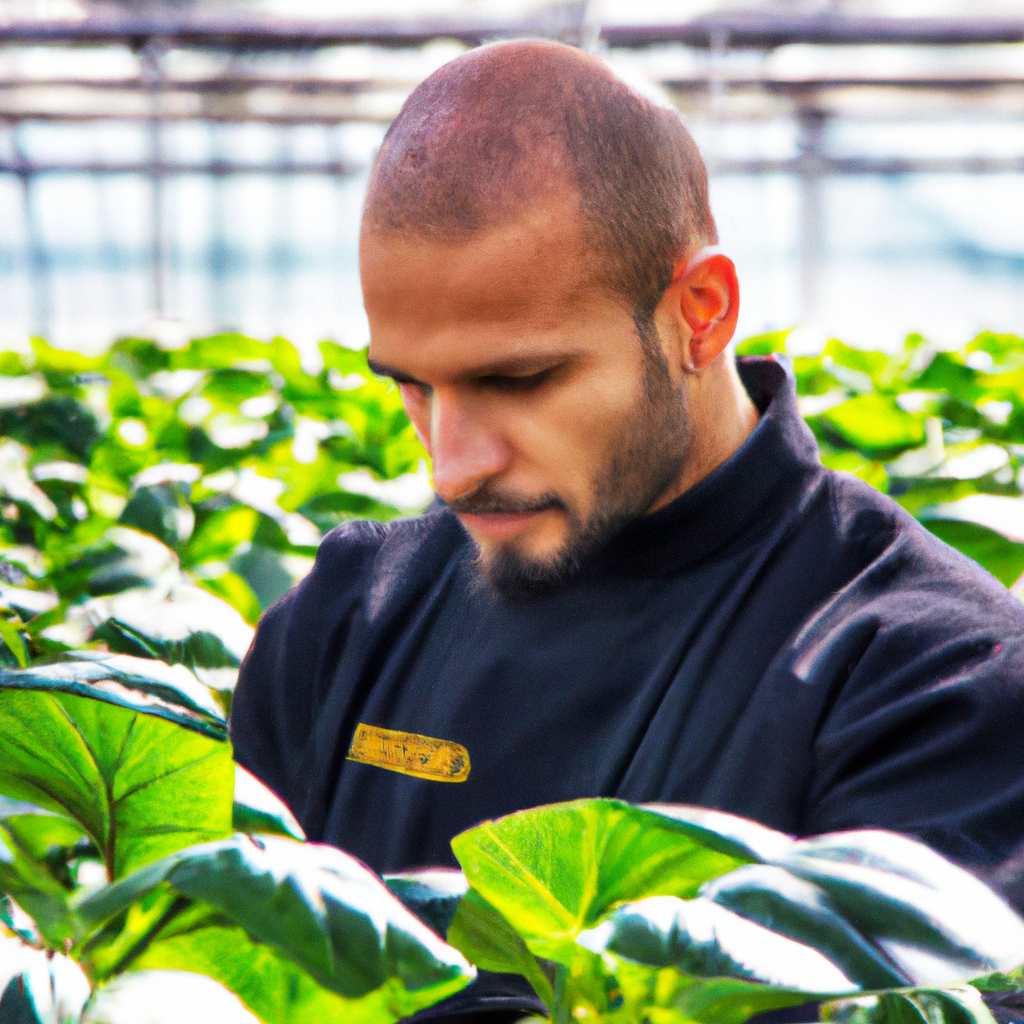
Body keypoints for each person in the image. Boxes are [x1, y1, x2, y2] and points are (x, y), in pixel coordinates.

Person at [230, 39, 1024, 1021]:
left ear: (699, 314)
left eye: (516, 379)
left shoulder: (927, 673)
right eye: (411, 385)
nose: (451, 463)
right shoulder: (343, 620)